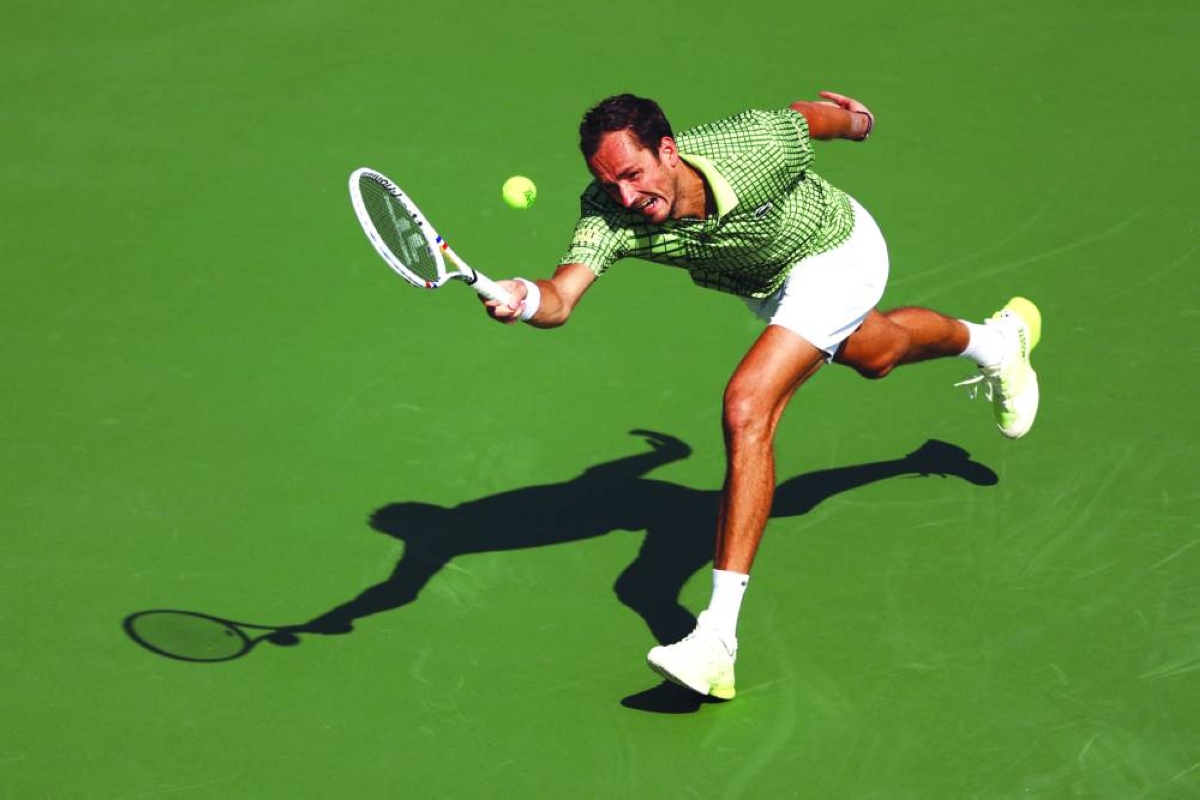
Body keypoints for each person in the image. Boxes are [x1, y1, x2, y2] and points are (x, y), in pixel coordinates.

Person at [481, 91, 1041, 700]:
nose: (624, 196)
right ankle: (998, 344)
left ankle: (716, 641)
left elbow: (809, 118)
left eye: (633, 174)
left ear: (667, 150)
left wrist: (860, 122)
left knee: (748, 405)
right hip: (771, 285)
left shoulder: (755, 146)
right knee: (879, 355)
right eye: (608, 182)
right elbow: (561, 298)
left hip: (838, 249)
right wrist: (525, 297)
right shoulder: (610, 212)